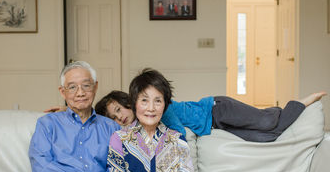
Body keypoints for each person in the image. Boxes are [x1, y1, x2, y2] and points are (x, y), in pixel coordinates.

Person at [94, 71, 326, 142]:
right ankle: (290, 112)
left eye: (119, 110)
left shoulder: (164, 111)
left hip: (217, 109)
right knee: (268, 137)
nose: (119, 118)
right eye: (113, 118)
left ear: (129, 103)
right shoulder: (141, 124)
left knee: (267, 121)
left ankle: (297, 104)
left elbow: (178, 135)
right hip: (216, 126)